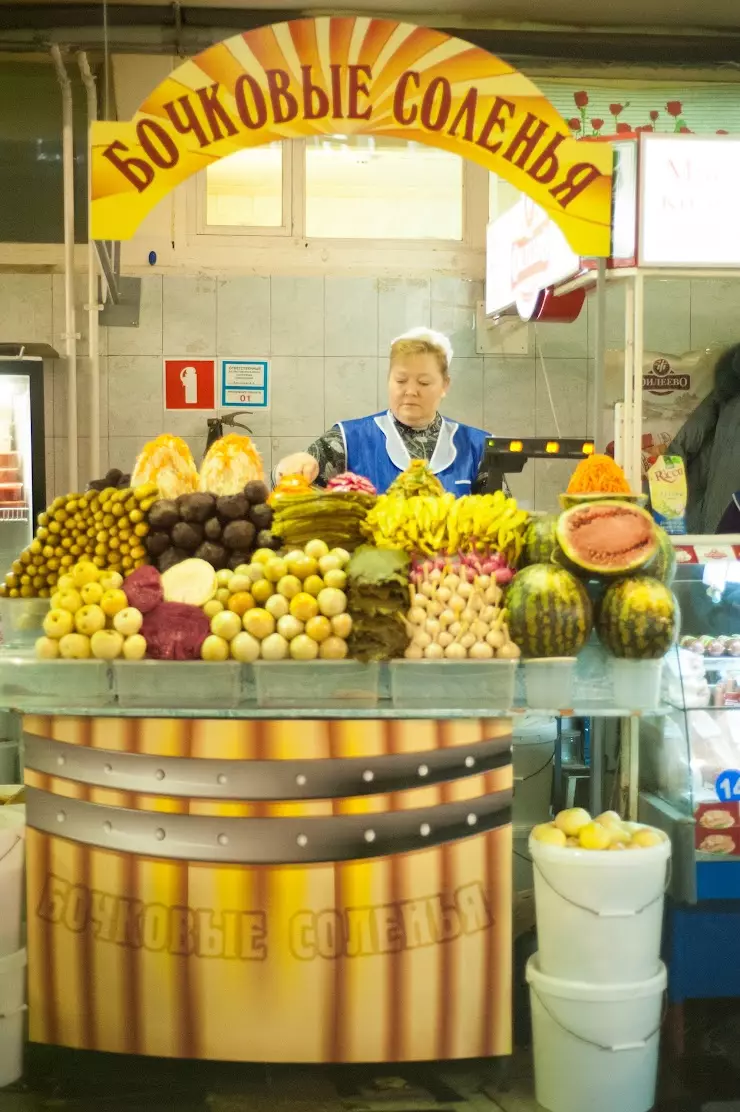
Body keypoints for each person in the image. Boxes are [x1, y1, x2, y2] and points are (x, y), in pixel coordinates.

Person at [275, 327, 506, 496]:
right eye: (401, 380)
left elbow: (498, 518)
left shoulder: (478, 447)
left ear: (445, 385)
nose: (411, 391)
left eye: (424, 383)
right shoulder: (349, 438)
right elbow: (288, 487)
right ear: (388, 380)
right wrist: (290, 467)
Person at [669, 343, 740, 534]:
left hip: (715, 526)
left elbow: (682, 444)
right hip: (716, 522)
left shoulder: (728, 398)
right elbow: (684, 442)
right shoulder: (728, 397)